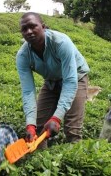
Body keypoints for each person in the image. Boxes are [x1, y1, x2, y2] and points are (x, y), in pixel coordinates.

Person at [16, 12, 90, 149]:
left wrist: (56, 118)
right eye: (24, 29)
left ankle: (75, 163)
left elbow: (70, 80)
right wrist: (30, 124)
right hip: (51, 81)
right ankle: (41, 162)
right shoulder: (22, 55)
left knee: (72, 129)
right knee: (38, 126)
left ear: (43, 27)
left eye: (33, 26)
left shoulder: (61, 42)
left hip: (76, 77)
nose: (29, 32)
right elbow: (28, 91)